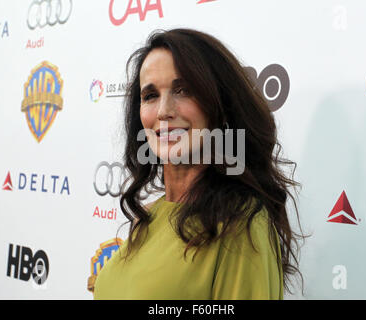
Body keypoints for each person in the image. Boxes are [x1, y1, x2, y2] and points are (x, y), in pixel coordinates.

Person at [93, 28, 303, 300]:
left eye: (183, 90)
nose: (164, 111)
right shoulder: (148, 217)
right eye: (150, 95)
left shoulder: (241, 225)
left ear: (219, 106)